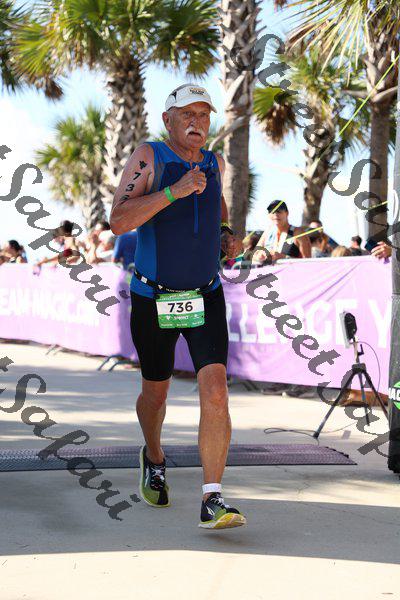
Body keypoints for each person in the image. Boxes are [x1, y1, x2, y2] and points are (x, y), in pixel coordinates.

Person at [110, 83, 246, 530]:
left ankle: (213, 498)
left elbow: (217, 203)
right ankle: (153, 456)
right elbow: (118, 221)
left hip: (205, 294)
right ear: (168, 120)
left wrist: (225, 234)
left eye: (204, 115)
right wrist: (174, 192)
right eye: (187, 114)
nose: (197, 122)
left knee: (216, 388)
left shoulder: (214, 162)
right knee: (156, 394)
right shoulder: (149, 156)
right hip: (154, 298)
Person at [253, 200, 311, 264]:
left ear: (287, 213)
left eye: (279, 211)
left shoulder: (297, 233)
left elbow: (308, 262)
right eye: (271, 211)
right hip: (270, 270)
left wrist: (284, 257)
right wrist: (260, 255)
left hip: (291, 270)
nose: (275, 214)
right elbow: (254, 255)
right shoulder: (268, 232)